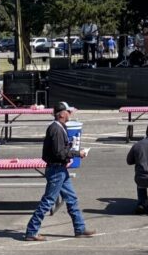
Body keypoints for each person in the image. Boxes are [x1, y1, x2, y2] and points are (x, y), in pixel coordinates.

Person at [23, 101, 94, 241]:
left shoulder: (59, 127)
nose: (70, 114)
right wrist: (77, 154)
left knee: (71, 199)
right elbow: (59, 153)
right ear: (61, 114)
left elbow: (60, 151)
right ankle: (31, 231)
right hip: (56, 170)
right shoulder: (56, 129)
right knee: (48, 200)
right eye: (68, 112)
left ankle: (80, 228)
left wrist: (72, 152)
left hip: (60, 169)